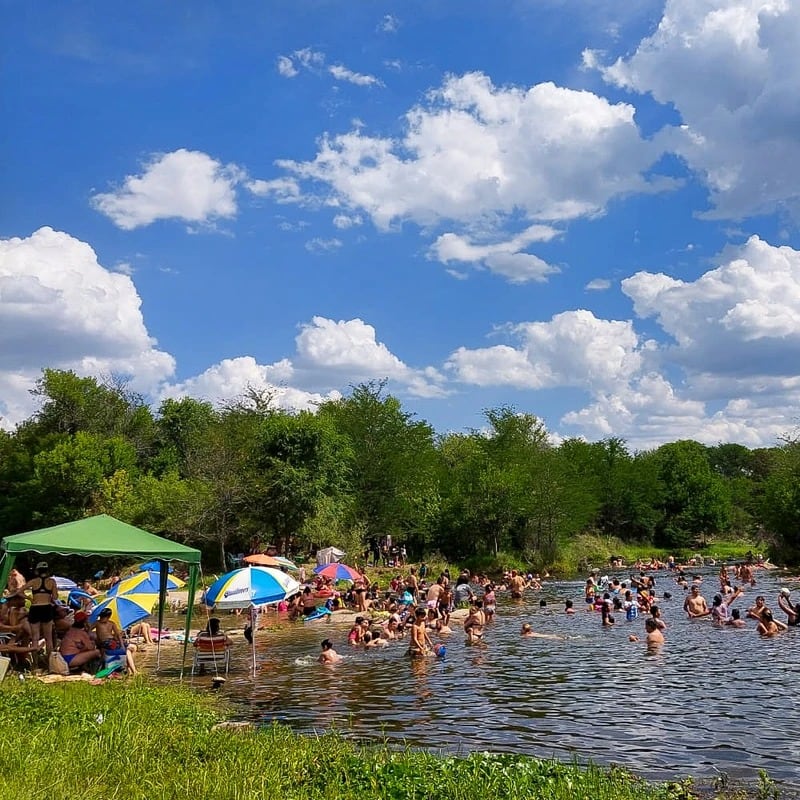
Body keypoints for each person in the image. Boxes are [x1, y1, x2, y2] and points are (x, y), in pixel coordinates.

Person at [21, 562, 58, 654]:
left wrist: (29, 598)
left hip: (35, 608)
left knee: (35, 638)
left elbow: (19, 591)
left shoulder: (34, 581)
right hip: (46, 608)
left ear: (37, 570)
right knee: (48, 638)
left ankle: (35, 665)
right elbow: (55, 597)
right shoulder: (52, 581)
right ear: (47, 570)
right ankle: (50, 664)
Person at [93, 608, 137, 675]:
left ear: (108, 617)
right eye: (101, 617)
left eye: (103, 617)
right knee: (126, 650)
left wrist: (122, 645)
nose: (101, 618)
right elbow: (88, 630)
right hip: (105, 642)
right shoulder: (97, 623)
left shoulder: (111, 623)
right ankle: (134, 671)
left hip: (112, 640)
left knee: (133, 647)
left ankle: (129, 667)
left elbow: (118, 635)